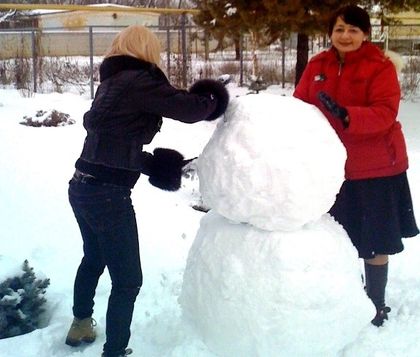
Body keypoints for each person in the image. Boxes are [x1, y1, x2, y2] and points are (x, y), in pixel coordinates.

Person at [65, 25, 229, 357]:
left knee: (94, 258)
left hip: (82, 186)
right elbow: (190, 109)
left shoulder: (111, 84)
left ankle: (81, 322)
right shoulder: (138, 81)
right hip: (108, 195)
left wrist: (151, 165)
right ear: (148, 50)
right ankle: (114, 352)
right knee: (128, 281)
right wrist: (214, 97)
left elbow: (112, 143)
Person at [294, 5, 419, 327]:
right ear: (330, 33)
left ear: (365, 34)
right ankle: (347, 299)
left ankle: (376, 304)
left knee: (374, 239)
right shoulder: (318, 65)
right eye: (339, 29)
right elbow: (300, 105)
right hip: (332, 169)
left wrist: (347, 115)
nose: (345, 36)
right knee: (341, 238)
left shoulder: (380, 66)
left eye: (352, 30)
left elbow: (385, 113)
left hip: (377, 168)